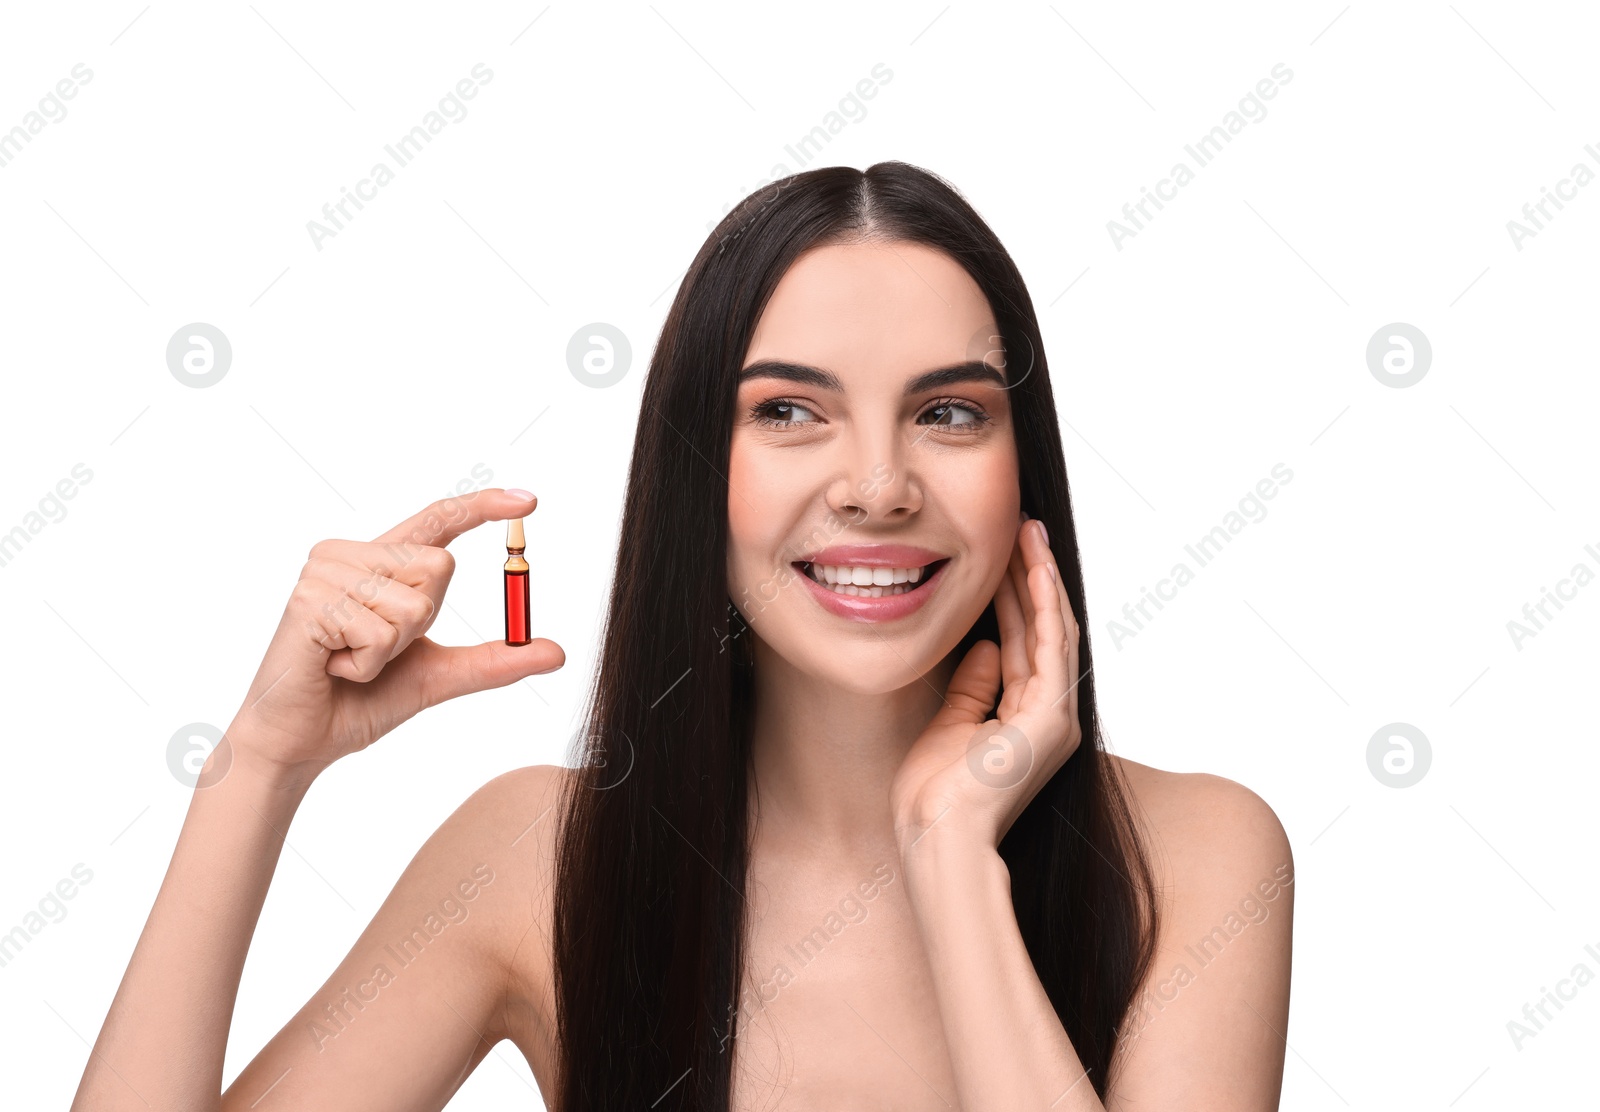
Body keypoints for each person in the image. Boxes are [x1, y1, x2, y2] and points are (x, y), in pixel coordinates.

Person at [72, 161, 1293, 1111]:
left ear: (1022, 466)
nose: (877, 483)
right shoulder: (539, 857)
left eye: (948, 411)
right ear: (695, 467)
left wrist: (951, 852)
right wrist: (261, 763)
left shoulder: (1197, 859)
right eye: (789, 410)